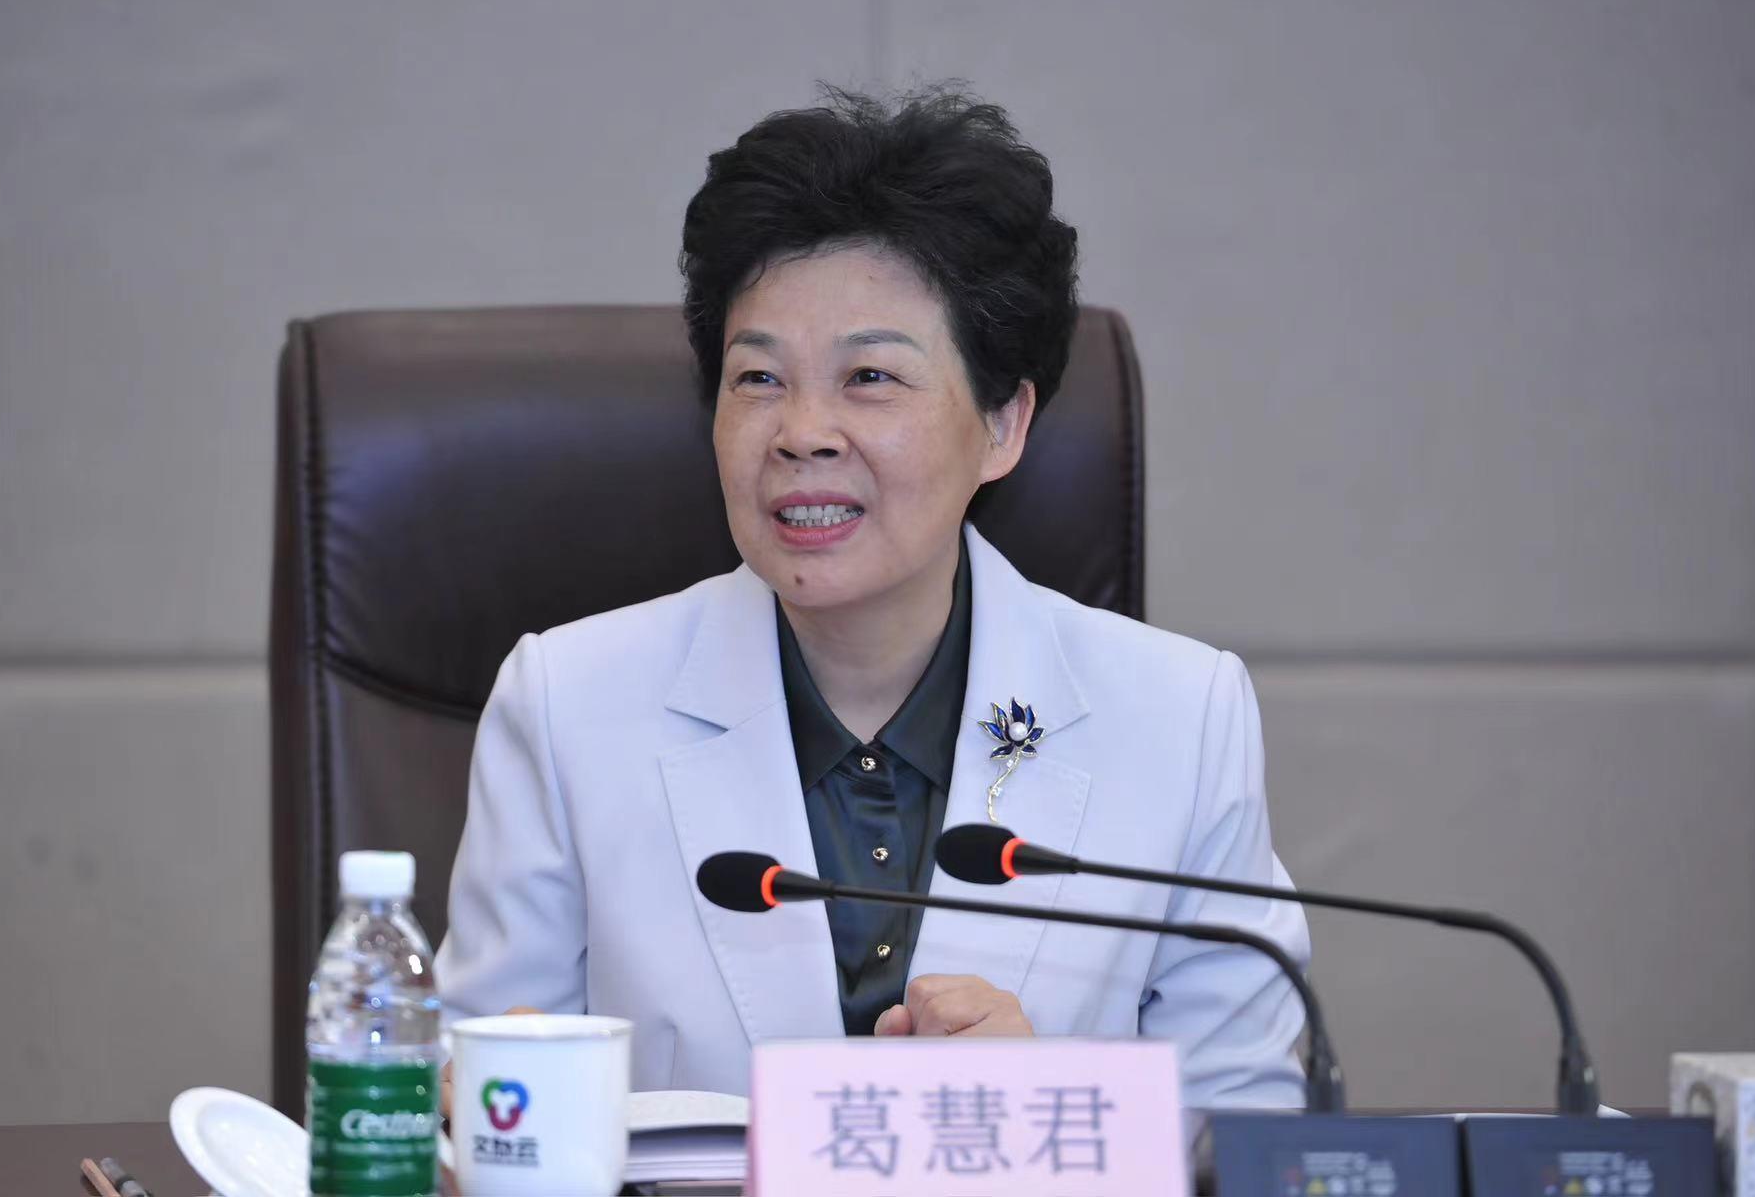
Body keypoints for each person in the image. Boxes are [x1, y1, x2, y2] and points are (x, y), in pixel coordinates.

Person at [433, 87, 1311, 1109]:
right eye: (758, 379)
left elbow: (1245, 1131)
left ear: (1002, 423)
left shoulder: (1179, 719)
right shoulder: (567, 706)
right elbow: (462, 1097)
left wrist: (1055, 1106)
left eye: (870, 378)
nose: (802, 432)